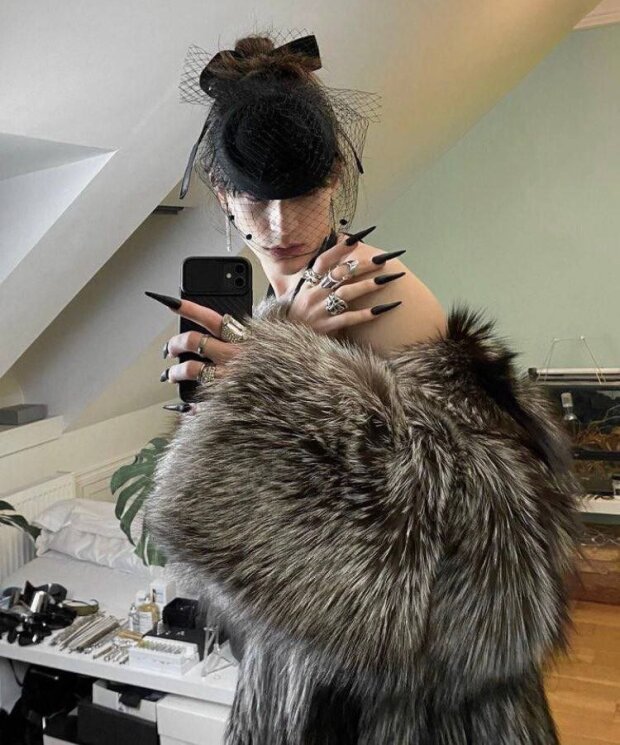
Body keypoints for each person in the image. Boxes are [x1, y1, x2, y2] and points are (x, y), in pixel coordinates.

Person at [145, 32, 583, 745]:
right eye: (254, 198)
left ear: (336, 177)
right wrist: (254, 377)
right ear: (224, 196)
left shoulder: (376, 296)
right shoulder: (284, 312)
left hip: (404, 711)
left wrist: (264, 389)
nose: (279, 225)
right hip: (309, 679)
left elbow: (488, 549)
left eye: (302, 194)